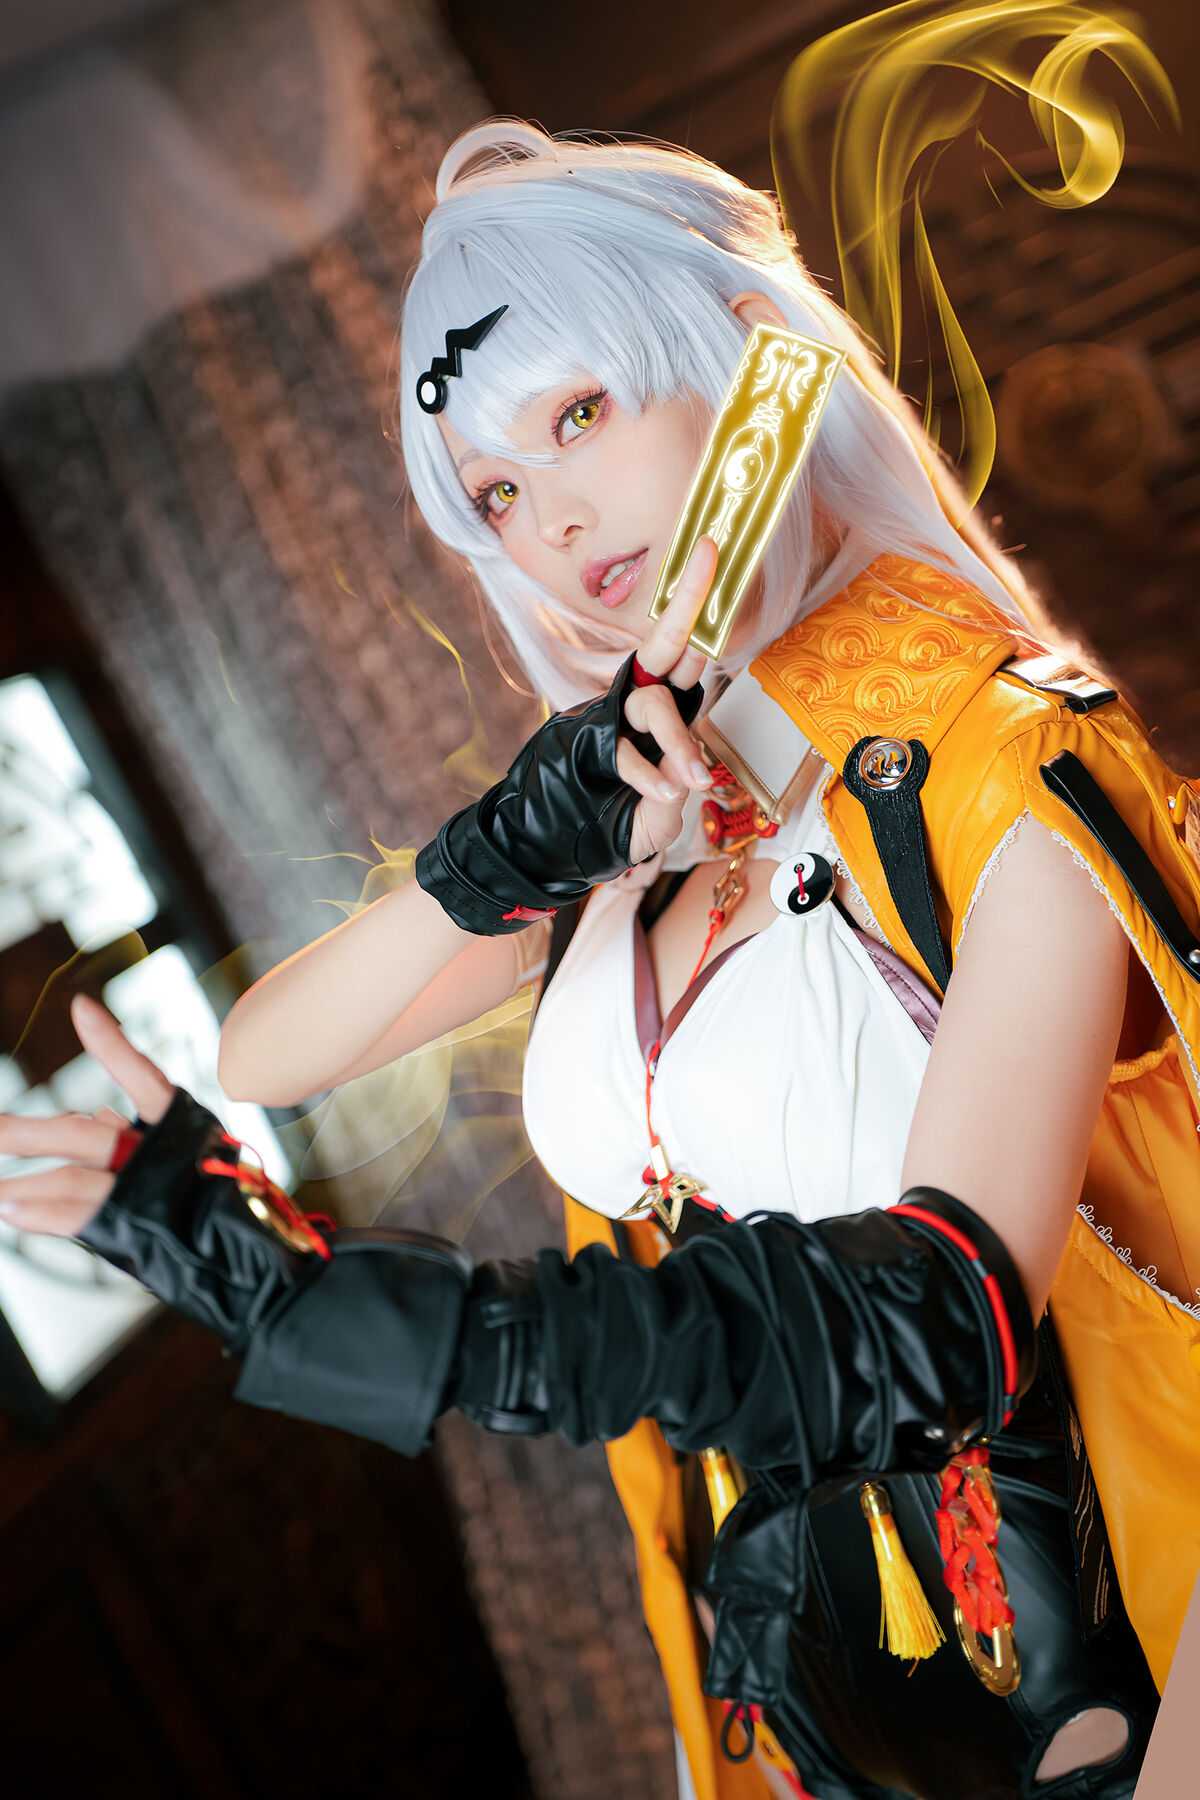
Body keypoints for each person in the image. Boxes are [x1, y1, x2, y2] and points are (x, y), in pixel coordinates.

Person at [2, 121, 1198, 1800]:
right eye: (495, 492)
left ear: (749, 371)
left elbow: (936, 1322)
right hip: (792, 1708)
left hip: (1103, 1695)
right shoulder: (638, 811)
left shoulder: (1009, 763)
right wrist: (507, 846)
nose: (552, 519)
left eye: (579, 414)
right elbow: (266, 1053)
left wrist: (359, 1320)